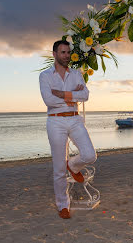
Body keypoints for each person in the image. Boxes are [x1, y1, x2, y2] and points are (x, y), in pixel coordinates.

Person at [39, 40, 97, 219]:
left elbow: (85, 95)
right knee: (58, 168)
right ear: (54, 54)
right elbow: (49, 100)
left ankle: (72, 165)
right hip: (55, 122)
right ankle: (63, 204)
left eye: (67, 52)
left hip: (74, 119)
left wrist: (63, 94)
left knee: (90, 155)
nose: (66, 56)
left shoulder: (76, 74)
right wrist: (73, 96)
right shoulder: (45, 76)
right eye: (62, 52)